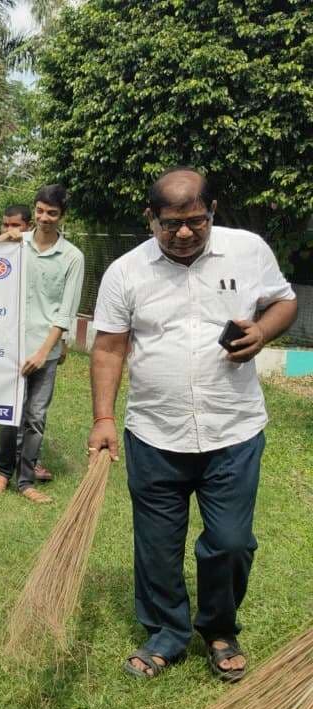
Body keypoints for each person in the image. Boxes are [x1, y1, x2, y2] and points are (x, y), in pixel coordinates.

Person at [88, 167, 297, 682]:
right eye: (170, 224)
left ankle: (220, 630)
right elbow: (109, 348)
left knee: (230, 542)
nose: (184, 233)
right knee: (157, 546)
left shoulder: (248, 250)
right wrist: (104, 418)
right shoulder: (125, 271)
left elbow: (285, 301)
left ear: (212, 211)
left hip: (233, 430)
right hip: (155, 433)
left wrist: (262, 332)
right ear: (151, 218)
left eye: (196, 221)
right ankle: (166, 633)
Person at [0, 186, 85, 503]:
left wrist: (44, 352)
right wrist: (3, 240)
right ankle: (3, 472)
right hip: (13, 345)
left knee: (35, 416)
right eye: (40, 211)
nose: (44, 218)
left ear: (62, 216)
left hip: (46, 350)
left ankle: (26, 480)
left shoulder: (72, 257)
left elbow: (65, 312)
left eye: (52, 213)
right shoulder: (19, 245)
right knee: (9, 411)